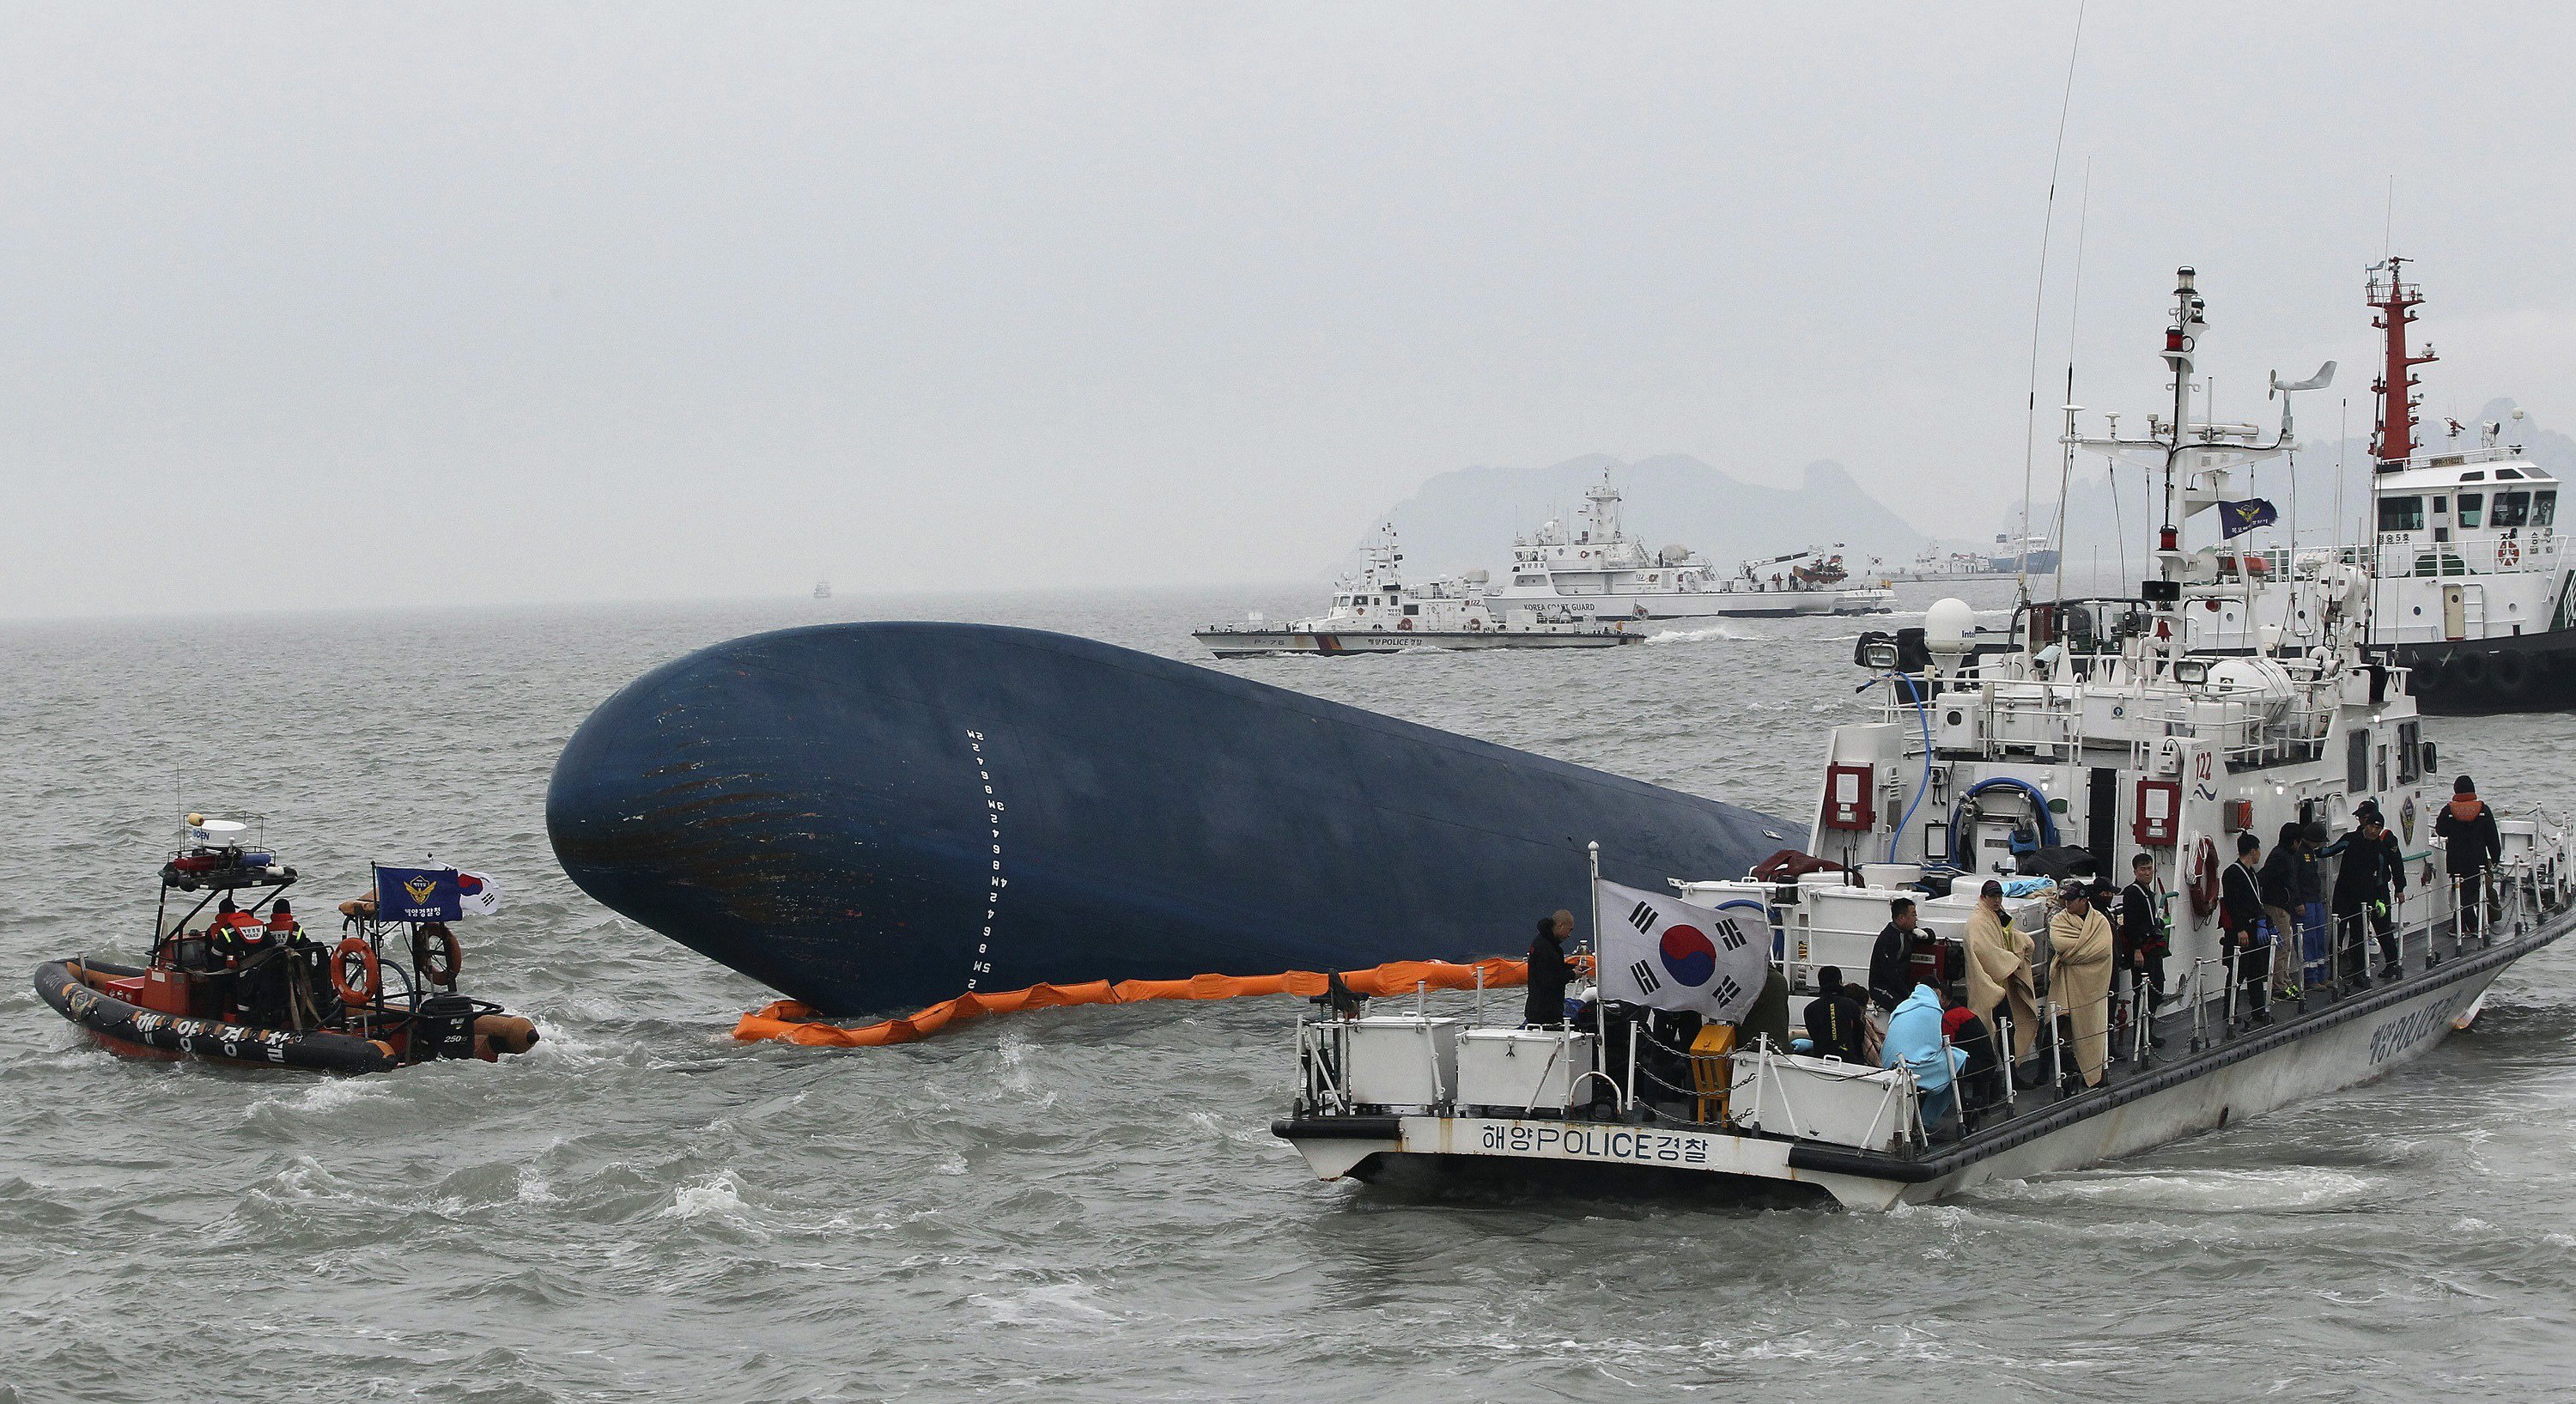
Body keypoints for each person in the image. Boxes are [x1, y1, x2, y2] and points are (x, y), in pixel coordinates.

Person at [1965, 878, 2038, 1067]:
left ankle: (2009, 1073)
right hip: (1988, 986)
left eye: (1999, 896)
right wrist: (2014, 959)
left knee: (2008, 1028)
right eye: (1993, 896)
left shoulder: (1997, 916)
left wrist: (2023, 944)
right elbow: (1985, 952)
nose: (1997, 900)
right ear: (1983, 897)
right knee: (1995, 1029)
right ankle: (1996, 1078)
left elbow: (2009, 934)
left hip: (2000, 984)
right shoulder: (1978, 922)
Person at [2327, 810, 2406, 982]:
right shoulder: (2352, 838)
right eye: (2368, 824)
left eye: (2376, 827)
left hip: (2371, 894)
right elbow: (2329, 851)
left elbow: (2389, 868)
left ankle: (2376, 967)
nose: (2372, 830)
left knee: (2373, 929)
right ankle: (2337, 971)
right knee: (2340, 932)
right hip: (2345, 894)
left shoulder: (2382, 844)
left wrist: (2398, 888)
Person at [2050, 881, 2115, 1087]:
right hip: (2067, 983)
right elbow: (2059, 942)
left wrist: (2072, 954)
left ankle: (2094, 1072)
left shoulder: (2100, 921)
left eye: (2071, 899)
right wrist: (2084, 949)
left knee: (2093, 1028)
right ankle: (2051, 1073)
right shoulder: (2060, 920)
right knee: (2059, 1024)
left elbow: (2103, 949)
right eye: (2065, 899)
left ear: (2084, 899)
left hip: (2094, 987)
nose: (2066, 903)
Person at [1880, 978, 1964, 1132]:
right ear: (1937, 992)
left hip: (1888, 1064)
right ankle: (1927, 1120)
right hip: (1910, 1067)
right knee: (1957, 1059)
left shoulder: (1903, 1005)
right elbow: (1935, 1045)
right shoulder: (1934, 1009)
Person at [2435, 775, 2505, 939]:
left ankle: (2459, 926)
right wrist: (2495, 857)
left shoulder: (2448, 810)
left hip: (2456, 861)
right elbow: (2492, 837)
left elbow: (2441, 831)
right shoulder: (2483, 810)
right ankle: (2472, 925)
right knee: (2472, 894)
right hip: (2477, 861)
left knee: (2460, 893)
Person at [2221, 832, 2270, 1024]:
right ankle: (2229, 1010)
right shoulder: (2233, 873)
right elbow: (2232, 904)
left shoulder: (2251, 873)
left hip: (2253, 926)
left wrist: (2262, 922)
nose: (2259, 854)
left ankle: (2258, 1009)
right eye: (2258, 850)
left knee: (2256, 971)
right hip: (2240, 929)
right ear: (2252, 851)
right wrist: (2240, 928)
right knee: (2238, 971)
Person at [2117, 854, 2171, 1026]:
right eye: (2143, 869)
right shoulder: (2133, 893)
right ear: (2135, 871)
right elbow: (2130, 923)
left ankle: (2149, 1031)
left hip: (2153, 947)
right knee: (2143, 991)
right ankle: (2141, 1034)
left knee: (2157, 988)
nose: (2147, 872)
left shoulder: (2147, 892)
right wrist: (2137, 950)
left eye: (2149, 868)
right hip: (2142, 948)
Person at [2259, 822, 2306, 1000]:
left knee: (2286, 946)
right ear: (2295, 841)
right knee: (2282, 946)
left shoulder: (2284, 855)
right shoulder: (2281, 857)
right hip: (2277, 907)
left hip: (2283, 906)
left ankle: (2284, 980)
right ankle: (2279, 986)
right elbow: (2269, 878)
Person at [1802, 965, 1868, 1062]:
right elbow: (1859, 1037)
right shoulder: (1851, 1005)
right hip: (1851, 1063)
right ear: (1840, 982)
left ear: (1820, 983)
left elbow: (1814, 1035)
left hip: (1820, 1062)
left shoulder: (1809, 1009)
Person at [1868, 897, 1921, 1013]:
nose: (1916, 919)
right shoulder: (1888, 938)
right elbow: (1889, 973)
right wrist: (1907, 994)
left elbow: (1929, 937)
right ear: (1901, 918)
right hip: (1881, 987)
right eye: (1913, 915)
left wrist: (1926, 934)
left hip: (1900, 985)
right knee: (1902, 1007)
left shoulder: (1907, 933)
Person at [1522, 910, 1575, 1028]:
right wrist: (1572, 974)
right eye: (1569, 930)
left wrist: (1573, 968)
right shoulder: (1544, 946)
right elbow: (1548, 979)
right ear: (1561, 925)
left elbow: (1555, 968)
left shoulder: (1550, 944)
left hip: (1548, 1010)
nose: (1569, 935)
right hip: (1543, 1013)